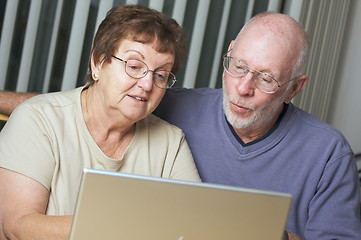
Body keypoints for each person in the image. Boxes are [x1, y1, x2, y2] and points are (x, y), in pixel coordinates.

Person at [0, 11, 360, 240]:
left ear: (294, 88)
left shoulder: (329, 153)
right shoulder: (50, 118)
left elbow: (189, 222)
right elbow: (72, 107)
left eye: (266, 78)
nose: (243, 88)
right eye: (237, 66)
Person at [0, 5, 200, 240]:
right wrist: (121, 226)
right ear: (98, 62)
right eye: (134, 66)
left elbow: (195, 227)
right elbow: (16, 227)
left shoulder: (171, 143)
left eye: (160, 75)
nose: (147, 85)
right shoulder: (38, 120)